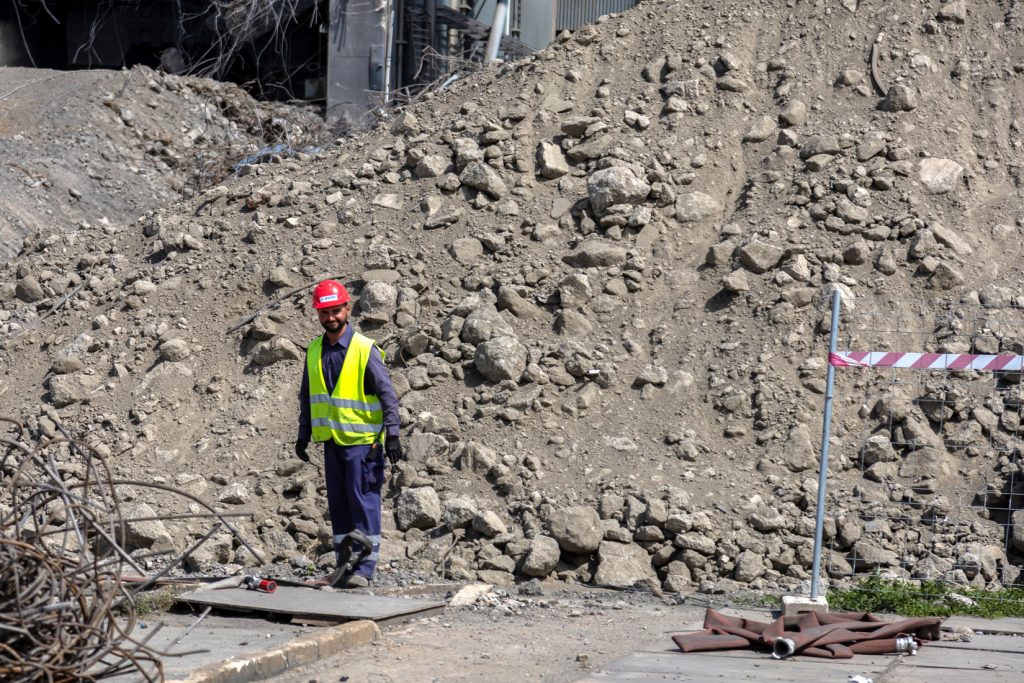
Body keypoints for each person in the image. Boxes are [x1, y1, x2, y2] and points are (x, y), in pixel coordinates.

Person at [295, 279, 403, 587]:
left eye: (335, 310)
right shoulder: (315, 350)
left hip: (363, 443)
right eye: (324, 312)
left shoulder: (364, 349)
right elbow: (308, 396)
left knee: (363, 500)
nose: (330, 317)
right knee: (339, 504)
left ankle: (365, 569)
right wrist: (303, 434)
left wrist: (392, 434)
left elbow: (387, 395)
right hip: (331, 441)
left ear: (347, 309)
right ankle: (345, 564)